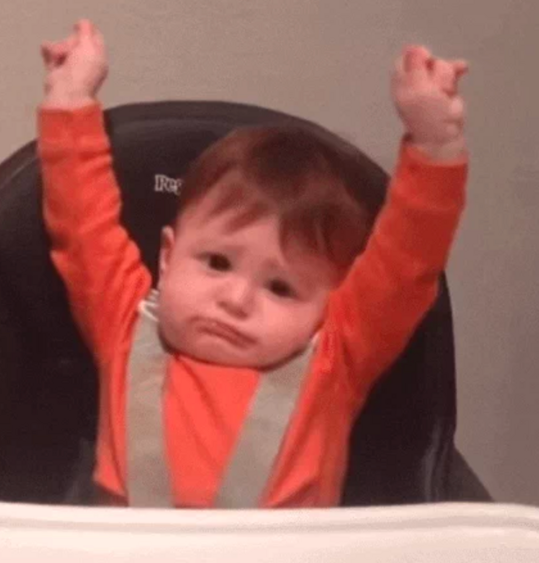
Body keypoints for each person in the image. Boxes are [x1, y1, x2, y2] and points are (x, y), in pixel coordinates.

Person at [38, 19, 469, 508]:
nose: (236, 300)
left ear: (332, 303)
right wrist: (69, 100)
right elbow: (81, 221)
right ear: (167, 256)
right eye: (217, 262)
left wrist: (435, 147)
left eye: (281, 288)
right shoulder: (123, 323)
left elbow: (407, 263)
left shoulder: (336, 360)